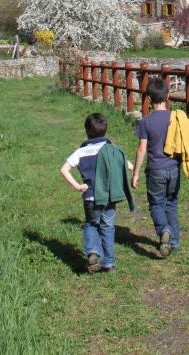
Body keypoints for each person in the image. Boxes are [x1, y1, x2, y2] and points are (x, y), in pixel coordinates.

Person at [60, 113, 133, 273]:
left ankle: (93, 252)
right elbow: (129, 165)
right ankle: (109, 264)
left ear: (87, 131)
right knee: (107, 227)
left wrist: (78, 186)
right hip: (109, 196)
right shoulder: (111, 149)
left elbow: (64, 169)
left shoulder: (81, 152)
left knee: (91, 224)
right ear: (105, 131)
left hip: (90, 197)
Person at [132, 78, 182, 258]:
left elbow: (141, 149)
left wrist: (136, 173)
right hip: (173, 167)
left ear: (148, 98)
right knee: (171, 203)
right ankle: (174, 241)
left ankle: (164, 230)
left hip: (155, 169)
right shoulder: (175, 119)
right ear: (168, 96)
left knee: (156, 203)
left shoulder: (145, 121)